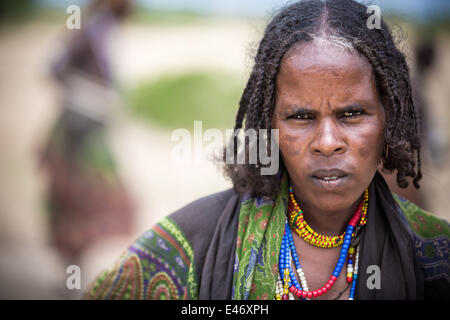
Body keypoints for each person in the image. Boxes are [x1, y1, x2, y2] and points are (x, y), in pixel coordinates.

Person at [84, 0, 449, 300]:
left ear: (390, 117)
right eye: (300, 117)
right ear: (268, 125)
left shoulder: (434, 252)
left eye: (352, 114)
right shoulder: (192, 243)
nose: (326, 142)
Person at [40, 0, 135, 263]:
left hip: (91, 127)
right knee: (78, 198)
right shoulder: (90, 29)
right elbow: (53, 67)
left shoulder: (104, 28)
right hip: (78, 130)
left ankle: (75, 271)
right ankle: (71, 272)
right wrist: (89, 98)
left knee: (92, 200)